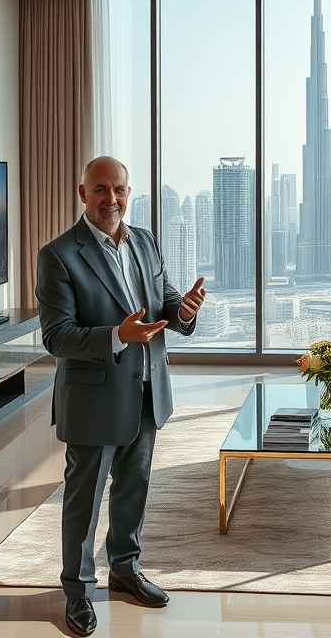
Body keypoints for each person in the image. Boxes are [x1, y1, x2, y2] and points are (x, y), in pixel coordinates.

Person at [35, 156, 205, 636]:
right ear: (82, 193)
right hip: (93, 398)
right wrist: (117, 335)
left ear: (129, 193)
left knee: (134, 488)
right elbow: (57, 337)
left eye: (120, 190)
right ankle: (78, 592)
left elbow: (165, 302)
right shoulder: (59, 255)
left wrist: (184, 310)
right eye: (102, 190)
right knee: (84, 499)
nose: (113, 199)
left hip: (147, 390)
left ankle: (125, 570)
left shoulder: (145, 241)